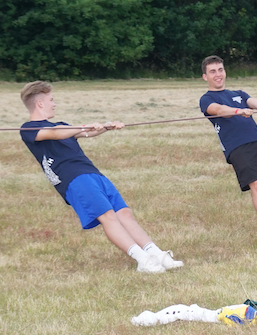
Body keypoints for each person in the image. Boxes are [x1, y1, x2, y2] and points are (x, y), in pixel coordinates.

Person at [20, 81, 182, 273]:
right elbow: (55, 134)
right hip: (74, 179)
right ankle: (143, 260)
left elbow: (86, 132)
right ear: (40, 103)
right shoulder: (28, 129)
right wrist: (83, 126)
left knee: (124, 213)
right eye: (51, 100)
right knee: (108, 217)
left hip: (92, 173)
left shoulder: (62, 126)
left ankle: (156, 254)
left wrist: (107, 126)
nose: (54, 104)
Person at [200, 56, 257, 246]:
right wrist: (238, 111)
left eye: (220, 69)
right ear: (205, 77)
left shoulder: (239, 94)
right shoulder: (206, 99)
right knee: (256, 185)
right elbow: (218, 110)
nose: (218, 74)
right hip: (237, 147)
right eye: (212, 71)